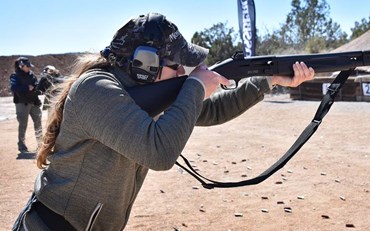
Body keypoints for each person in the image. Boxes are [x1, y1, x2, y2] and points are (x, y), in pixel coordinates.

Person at [13, 12, 314, 230]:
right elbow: (159, 152)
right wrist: (196, 86)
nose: (183, 73)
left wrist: (268, 81)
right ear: (146, 66)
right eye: (177, 66)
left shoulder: (144, 92)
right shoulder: (95, 89)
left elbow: (216, 111)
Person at [9, 57, 43, 153]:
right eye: (27, 66)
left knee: (38, 123)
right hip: (22, 103)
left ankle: (41, 145)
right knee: (23, 124)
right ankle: (22, 145)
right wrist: (27, 87)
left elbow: (36, 86)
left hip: (34, 102)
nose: (29, 68)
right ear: (21, 66)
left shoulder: (32, 75)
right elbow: (13, 88)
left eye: (29, 66)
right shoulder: (15, 76)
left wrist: (37, 89)